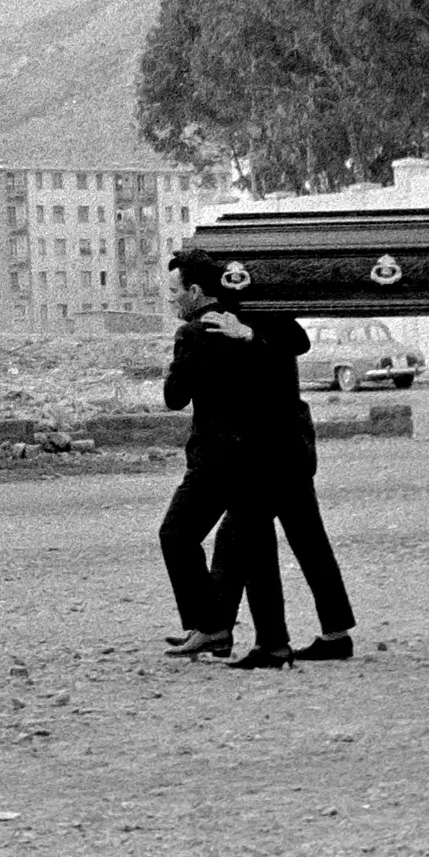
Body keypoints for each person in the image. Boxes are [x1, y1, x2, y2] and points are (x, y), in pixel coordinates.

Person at [156, 254, 311, 669]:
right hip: (260, 457)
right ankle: (271, 643)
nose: (170, 300)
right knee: (255, 550)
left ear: (194, 292)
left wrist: (177, 361)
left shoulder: (192, 333)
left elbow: (175, 397)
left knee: (176, 534)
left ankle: (210, 625)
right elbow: (291, 350)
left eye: (174, 292)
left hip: (216, 460)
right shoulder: (244, 326)